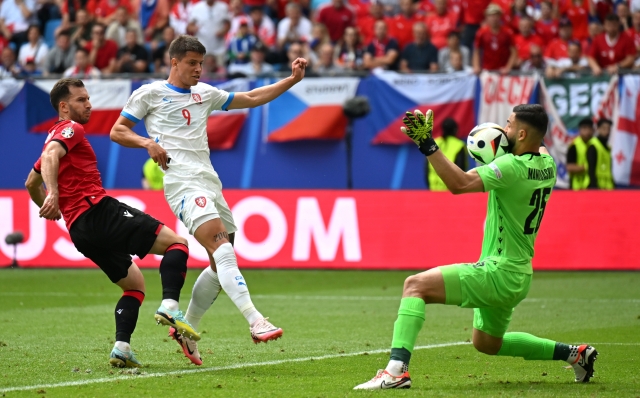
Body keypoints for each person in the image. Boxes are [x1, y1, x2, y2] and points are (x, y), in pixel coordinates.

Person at [354, 104, 598, 390]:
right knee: (486, 343)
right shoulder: (546, 164)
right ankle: (575, 354)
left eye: (508, 125)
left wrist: (427, 144)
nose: (503, 129)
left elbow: (459, 184)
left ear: (520, 133)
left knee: (415, 286)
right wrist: (515, 143)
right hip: (519, 274)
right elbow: (539, 144)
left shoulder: (511, 167)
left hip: (499, 271)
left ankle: (396, 371)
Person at [110, 35, 307, 366]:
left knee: (219, 263)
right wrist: (148, 143)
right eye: (191, 63)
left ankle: (188, 331)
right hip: (182, 184)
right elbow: (118, 130)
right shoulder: (150, 93)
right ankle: (256, 321)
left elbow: (253, 96)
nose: (198, 69)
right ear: (174, 62)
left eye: (201, 63)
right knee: (223, 249)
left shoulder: (206, 94)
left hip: (209, 183)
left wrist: (291, 80)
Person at [24, 78, 199, 369]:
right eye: (81, 100)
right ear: (64, 107)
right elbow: (51, 156)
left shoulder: (53, 137)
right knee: (177, 243)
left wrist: (49, 203)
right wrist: (53, 195)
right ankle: (170, 306)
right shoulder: (72, 129)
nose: (89, 104)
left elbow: (31, 182)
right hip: (98, 211)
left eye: (89, 98)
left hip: (80, 230)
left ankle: (122, 347)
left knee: (135, 284)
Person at [472, 4, 516, 74]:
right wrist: (476, 66)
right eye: (491, 16)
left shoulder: (508, 32)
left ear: (500, 17)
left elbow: (514, 52)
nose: (493, 18)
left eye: (496, 15)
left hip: (503, 71)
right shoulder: (481, 32)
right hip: (487, 71)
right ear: (486, 17)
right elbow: (476, 51)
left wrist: (508, 67)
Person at [425, 118, 467, 190]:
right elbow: (461, 169)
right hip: (452, 190)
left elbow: (426, 169)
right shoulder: (459, 145)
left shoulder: (434, 143)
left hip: (433, 190)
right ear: (455, 130)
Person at [566, 117, 595, 190]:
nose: (587, 132)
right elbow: (570, 167)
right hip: (577, 186)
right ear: (579, 130)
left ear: (593, 130)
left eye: (589, 129)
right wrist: (587, 167)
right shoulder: (574, 146)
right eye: (584, 128)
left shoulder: (596, 145)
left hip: (593, 186)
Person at [586, 118, 614, 189]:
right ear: (598, 129)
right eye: (604, 128)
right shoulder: (593, 146)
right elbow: (591, 169)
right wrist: (594, 187)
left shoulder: (608, 148)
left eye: (608, 129)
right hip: (597, 187)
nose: (607, 131)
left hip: (608, 187)